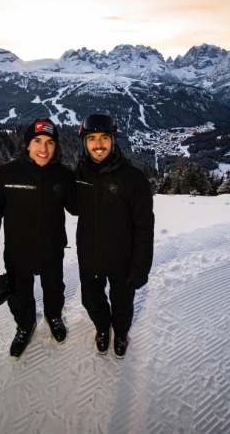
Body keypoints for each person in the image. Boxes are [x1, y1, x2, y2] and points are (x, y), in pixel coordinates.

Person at [0, 117, 76, 359]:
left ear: (56, 146)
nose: (44, 149)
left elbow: (76, 207)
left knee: (54, 289)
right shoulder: (5, 174)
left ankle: (53, 317)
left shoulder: (63, 175)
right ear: (27, 145)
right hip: (18, 252)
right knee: (19, 294)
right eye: (37, 141)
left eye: (50, 143)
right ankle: (25, 325)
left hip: (52, 250)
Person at [75, 114, 155, 358]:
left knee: (122, 303)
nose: (98, 145)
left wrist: (141, 267)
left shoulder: (133, 179)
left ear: (113, 140)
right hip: (90, 257)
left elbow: (144, 227)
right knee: (92, 300)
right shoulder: (80, 175)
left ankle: (120, 332)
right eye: (92, 139)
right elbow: (72, 206)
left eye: (104, 138)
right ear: (85, 142)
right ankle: (102, 328)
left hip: (123, 258)